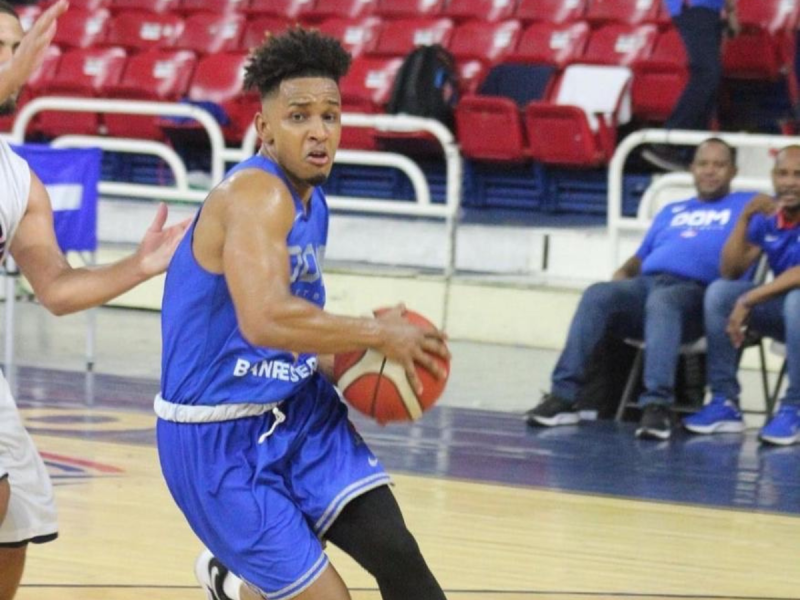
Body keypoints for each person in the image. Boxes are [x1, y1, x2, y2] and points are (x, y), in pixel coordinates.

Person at [155, 28, 450, 600]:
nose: (319, 131)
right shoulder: (254, 196)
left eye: (330, 116)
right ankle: (238, 584)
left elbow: (291, 331)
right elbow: (264, 319)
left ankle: (241, 582)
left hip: (298, 409)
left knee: (400, 558)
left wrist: (352, 365)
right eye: (298, 117)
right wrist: (374, 334)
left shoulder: (313, 202)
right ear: (264, 128)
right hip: (215, 439)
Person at [0, 4, 190, 598]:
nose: (12, 59)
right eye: (1, 47)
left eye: (16, 47)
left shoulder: (19, 180)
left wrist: (139, 266)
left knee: (16, 521)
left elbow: (56, 289)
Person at [525, 138, 754, 440]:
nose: (710, 171)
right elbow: (642, 255)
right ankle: (563, 396)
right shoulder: (672, 210)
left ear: (734, 171)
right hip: (648, 284)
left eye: (719, 165)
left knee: (663, 301)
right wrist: (623, 273)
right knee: (598, 294)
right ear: (692, 169)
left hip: (698, 296)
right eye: (703, 164)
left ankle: (658, 405)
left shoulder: (749, 206)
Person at [684, 145, 800, 445]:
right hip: (786, 313)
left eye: (798, 175)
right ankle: (724, 402)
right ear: (772, 177)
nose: (789, 182)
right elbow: (730, 270)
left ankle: (795, 408)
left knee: (797, 301)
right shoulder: (769, 214)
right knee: (720, 293)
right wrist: (745, 218)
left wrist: (749, 299)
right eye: (783, 174)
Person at [641, 0, 739, 172]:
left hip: (708, 9)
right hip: (695, 7)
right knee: (707, 74)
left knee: (709, 78)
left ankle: (694, 153)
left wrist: (730, 10)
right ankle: (669, 140)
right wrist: (731, 11)